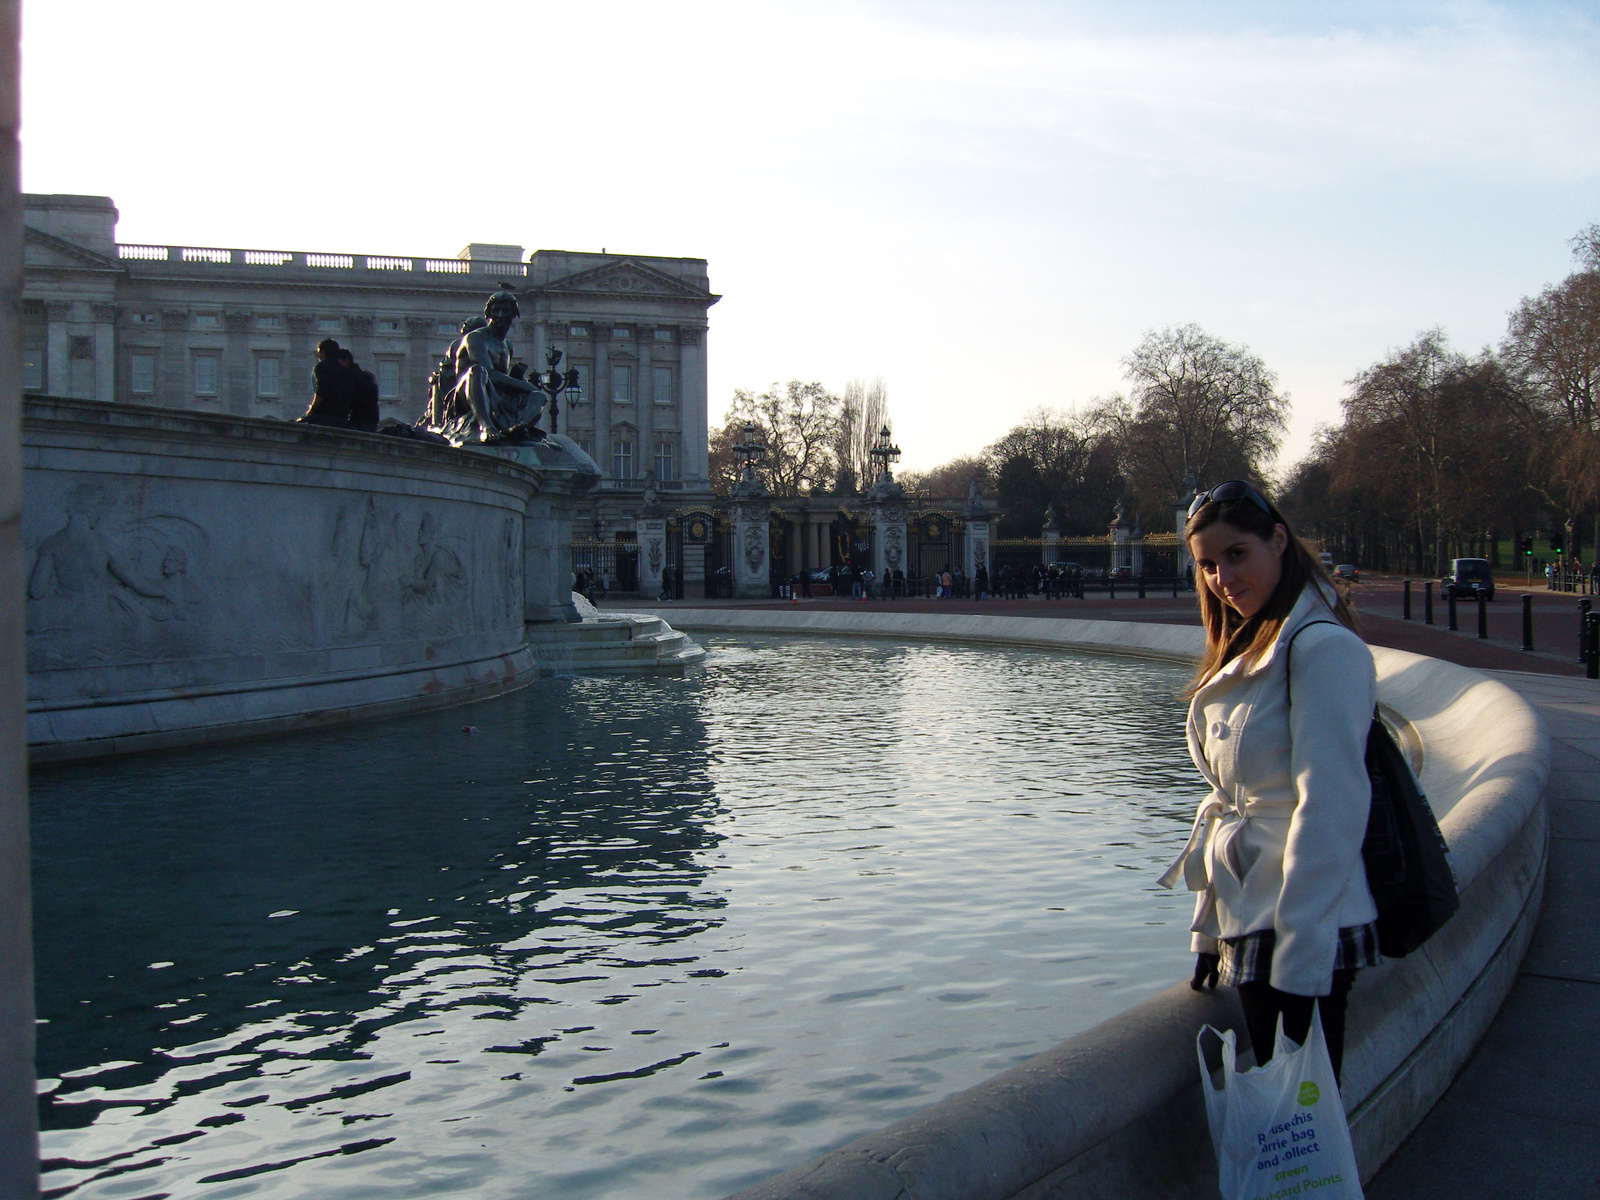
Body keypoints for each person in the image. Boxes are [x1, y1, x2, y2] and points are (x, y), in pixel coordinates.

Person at [1158, 479, 1378, 1086]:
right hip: (1254, 909)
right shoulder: (1250, 643)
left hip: (1299, 920)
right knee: (1290, 1130)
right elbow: (1227, 806)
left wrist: (1302, 961)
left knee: (1304, 1130)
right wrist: (1208, 935)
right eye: (1206, 566)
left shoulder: (1323, 649)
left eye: (1236, 555)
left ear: (1278, 540)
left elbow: (1330, 807)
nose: (1223, 579)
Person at [300, 339, 354, 427]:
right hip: (342, 416)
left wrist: (311, 410)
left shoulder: (321, 367)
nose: (317, 355)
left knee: (298, 423)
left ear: (323, 353)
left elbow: (321, 391)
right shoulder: (346, 370)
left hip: (323, 415)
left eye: (318, 352)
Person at [338, 348, 381, 432]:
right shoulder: (366, 376)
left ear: (346, 361)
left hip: (358, 421)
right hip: (372, 422)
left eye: (338, 363)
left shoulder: (348, 376)